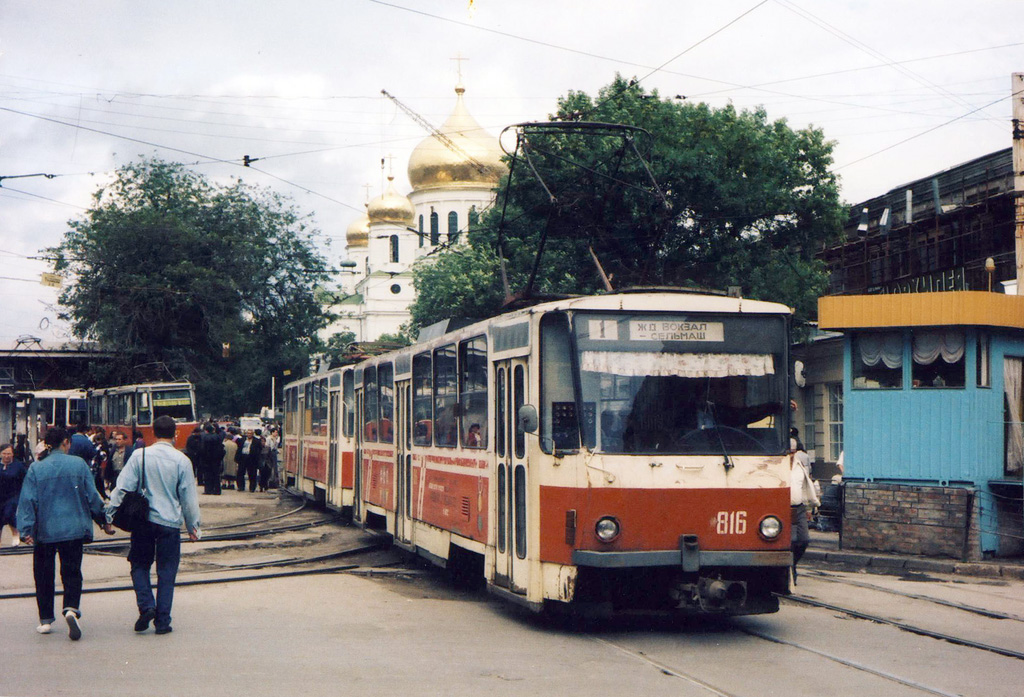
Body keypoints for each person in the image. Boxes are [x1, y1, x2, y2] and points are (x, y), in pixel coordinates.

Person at [107, 415, 201, 635]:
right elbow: (188, 497)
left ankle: (147, 605)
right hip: (169, 523)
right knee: (167, 572)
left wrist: (109, 515)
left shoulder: (140, 456)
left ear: (153, 433)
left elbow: (122, 488)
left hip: (143, 521)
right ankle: (163, 622)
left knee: (139, 565)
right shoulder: (182, 461)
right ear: (175, 433)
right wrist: (193, 527)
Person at [16, 427, 114, 639]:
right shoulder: (78, 464)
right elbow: (93, 497)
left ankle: (45, 620)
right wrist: (104, 521)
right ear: (67, 442)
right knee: (71, 571)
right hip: (73, 529)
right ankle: (71, 608)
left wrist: (25, 530)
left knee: (43, 574)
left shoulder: (36, 468)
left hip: (44, 530)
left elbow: (27, 501)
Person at [789, 438, 820, 585]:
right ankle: (788, 570)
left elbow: (805, 486)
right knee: (787, 540)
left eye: (793, 452)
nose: (790, 455)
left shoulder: (799, 466)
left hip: (799, 507)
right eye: (788, 452)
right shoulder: (777, 465)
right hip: (782, 508)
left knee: (803, 540)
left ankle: (792, 563)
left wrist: (809, 507)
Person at [1, 443, 28, 546]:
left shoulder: (19, 466)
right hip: (1, 495)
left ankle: (15, 532)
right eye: (4, 453)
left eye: (9, 454)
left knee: (9, 513)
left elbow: (25, 479)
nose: (6, 456)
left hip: (14, 494)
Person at [200, 423, 224, 495]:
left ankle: (208, 489)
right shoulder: (218, 437)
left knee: (207, 475)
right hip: (216, 459)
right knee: (216, 475)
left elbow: (202, 449)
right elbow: (221, 448)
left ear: (206, 431)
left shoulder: (204, 438)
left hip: (206, 459)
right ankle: (217, 490)